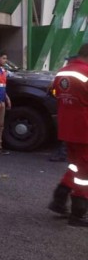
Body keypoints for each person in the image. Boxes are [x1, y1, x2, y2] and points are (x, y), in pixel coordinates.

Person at [47, 44, 88, 227]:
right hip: (84, 129)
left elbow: (54, 92)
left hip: (66, 128)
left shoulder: (63, 72)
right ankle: (78, 214)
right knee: (84, 173)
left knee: (75, 165)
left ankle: (59, 199)